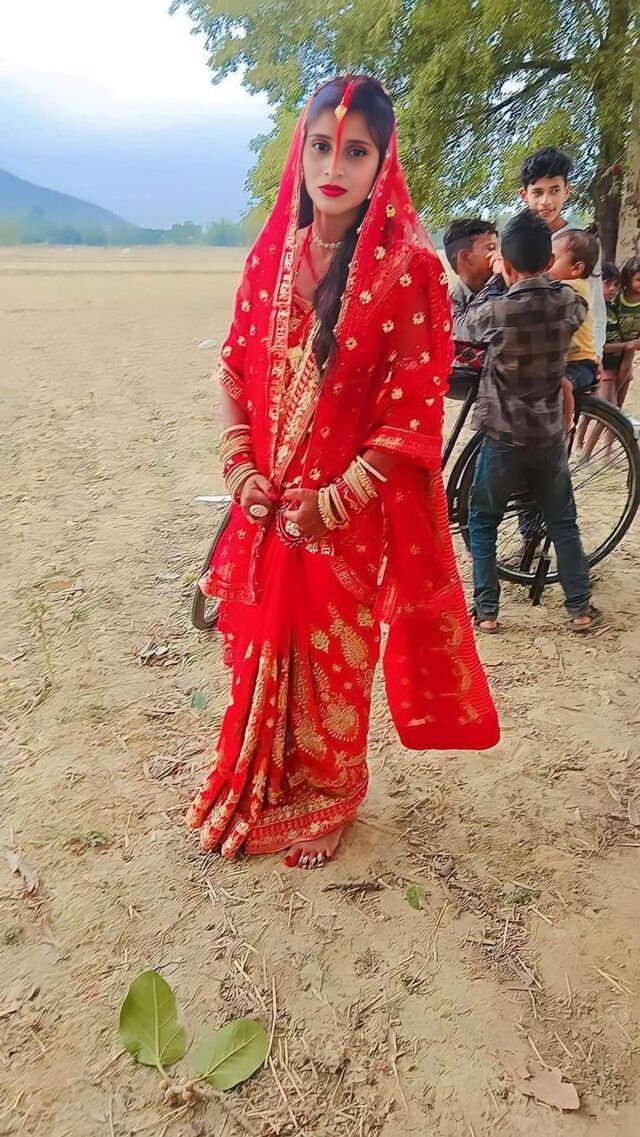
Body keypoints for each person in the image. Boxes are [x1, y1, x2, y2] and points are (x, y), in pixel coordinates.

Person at [187, 75, 499, 868]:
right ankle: (267, 778)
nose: (334, 166)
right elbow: (233, 371)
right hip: (271, 508)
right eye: (322, 145)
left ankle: (331, 796)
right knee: (264, 650)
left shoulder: (407, 272)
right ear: (301, 151)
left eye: (355, 151)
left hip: (345, 513)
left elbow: (409, 417)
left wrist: (332, 501)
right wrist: (241, 469)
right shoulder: (271, 259)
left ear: (381, 162)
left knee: (333, 660)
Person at [465, 209, 601, 634]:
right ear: (549, 261)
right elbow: (576, 305)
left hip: (502, 437)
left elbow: (465, 325)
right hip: (548, 436)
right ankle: (579, 607)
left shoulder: (497, 311)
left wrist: (496, 281)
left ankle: (487, 610)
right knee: (562, 520)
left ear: (505, 263)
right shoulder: (569, 304)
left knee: (483, 519)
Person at [519, 146, 606, 363]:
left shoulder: (582, 245)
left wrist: (596, 355)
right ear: (524, 195)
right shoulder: (517, 241)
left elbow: (595, 306)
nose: (546, 201)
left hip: (574, 358)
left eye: (554, 190)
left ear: (567, 191)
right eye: (538, 192)